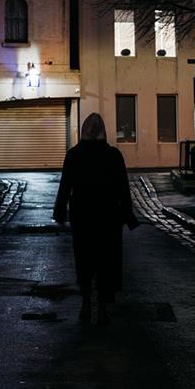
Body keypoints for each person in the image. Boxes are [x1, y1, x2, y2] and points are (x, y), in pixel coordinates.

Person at [53, 112, 139, 324]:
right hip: (108, 217)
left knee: (84, 260)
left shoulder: (74, 155)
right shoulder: (113, 156)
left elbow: (65, 186)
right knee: (107, 262)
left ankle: (85, 302)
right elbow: (123, 189)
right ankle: (102, 308)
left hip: (82, 216)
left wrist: (60, 212)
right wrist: (128, 215)